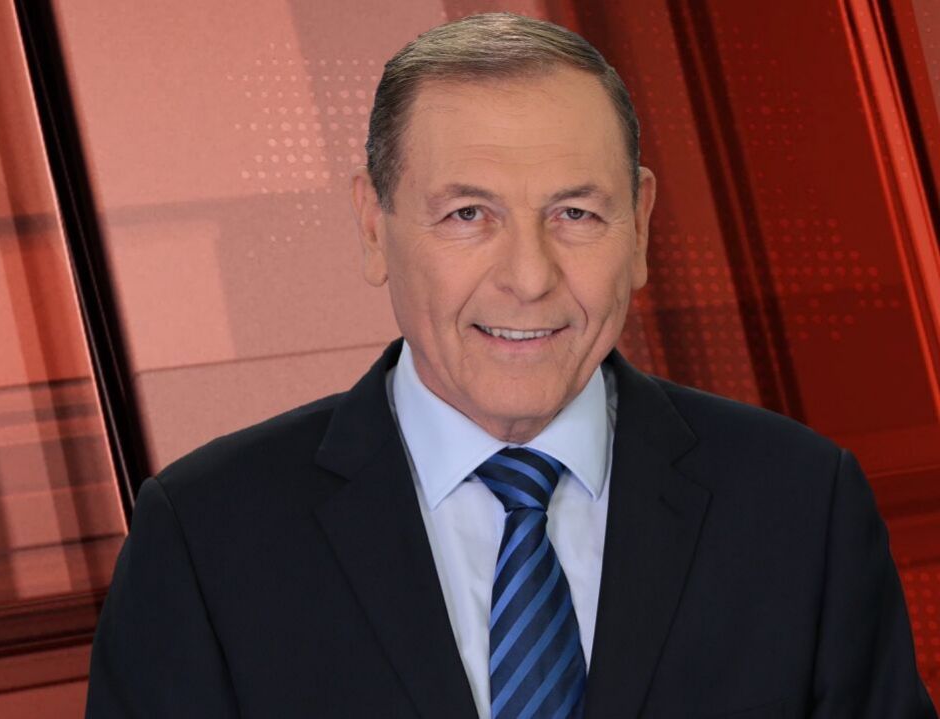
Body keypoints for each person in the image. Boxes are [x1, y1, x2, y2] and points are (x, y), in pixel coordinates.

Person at [84, 12, 936, 718]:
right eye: (467, 214)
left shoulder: (800, 503)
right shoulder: (204, 538)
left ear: (640, 225)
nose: (528, 277)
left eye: (575, 213)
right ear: (374, 226)